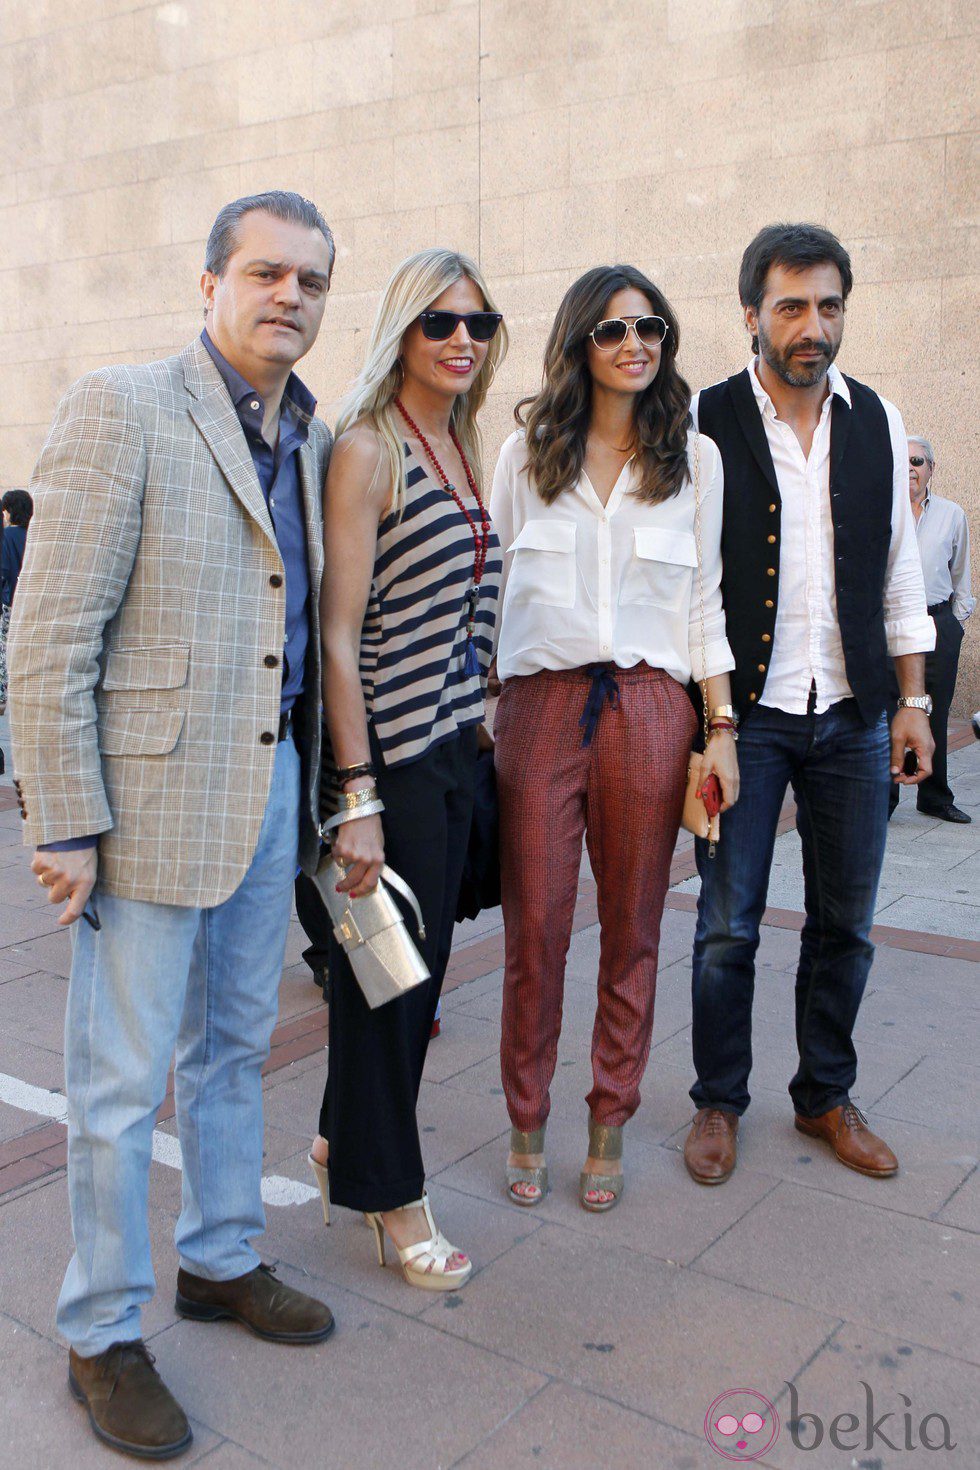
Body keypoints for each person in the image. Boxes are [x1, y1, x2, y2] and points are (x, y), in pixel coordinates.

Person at [8, 191, 337, 1460]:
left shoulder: (304, 439)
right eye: (265, 273)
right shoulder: (124, 405)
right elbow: (47, 637)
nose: (288, 297)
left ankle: (216, 1256)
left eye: (309, 281)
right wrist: (68, 822)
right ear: (208, 282)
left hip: (266, 792)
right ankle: (98, 1330)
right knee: (117, 1083)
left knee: (235, 1044)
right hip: (141, 809)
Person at [684, 223, 936, 1189]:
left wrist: (912, 698)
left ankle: (825, 1094)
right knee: (727, 925)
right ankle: (718, 1099)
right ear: (751, 313)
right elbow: (693, 582)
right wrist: (710, 724)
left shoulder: (875, 418)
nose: (813, 325)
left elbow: (900, 577)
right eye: (791, 306)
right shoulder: (704, 419)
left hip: (855, 716)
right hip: (744, 718)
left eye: (829, 305)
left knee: (848, 924)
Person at [490, 265, 739, 1213]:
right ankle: (525, 1117)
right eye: (611, 330)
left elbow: (705, 603)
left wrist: (718, 730)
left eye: (650, 328)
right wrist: (483, 716)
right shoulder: (526, 453)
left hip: (649, 706)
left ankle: (608, 1121)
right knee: (539, 926)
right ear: (578, 346)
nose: (634, 344)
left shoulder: (694, 458)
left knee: (633, 926)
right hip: (541, 708)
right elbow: (499, 585)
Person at [308, 248, 506, 1290]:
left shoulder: (463, 443)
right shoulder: (369, 451)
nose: (461, 338)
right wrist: (359, 799)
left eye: (476, 321)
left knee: (389, 971)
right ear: (402, 332)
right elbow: (339, 637)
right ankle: (392, 1198)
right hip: (386, 758)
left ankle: (344, 1136)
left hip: (450, 752)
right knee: (394, 989)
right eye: (438, 323)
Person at [888, 437, 973, 822]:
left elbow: (961, 575)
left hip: (937, 621)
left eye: (918, 461)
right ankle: (884, 799)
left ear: (931, 468)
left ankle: (934, 797)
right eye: (903, 460)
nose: (910, 467)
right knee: (889, 710)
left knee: (934, 712)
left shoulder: (952, 514)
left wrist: (955, 622)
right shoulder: (884, 510)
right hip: (891, 623)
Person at [0, 488, 33, 718]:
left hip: (10, 603)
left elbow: (3, 570)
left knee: (4, 651)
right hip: (31, 603)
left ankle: (2, 697)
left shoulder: (7, 537)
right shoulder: (35, 535)